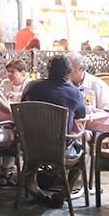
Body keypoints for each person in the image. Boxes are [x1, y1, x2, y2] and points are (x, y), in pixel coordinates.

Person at [22, 55, 87, 206]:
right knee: (85, 150)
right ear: (68, 72)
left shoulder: (32, 86)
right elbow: (81, 115)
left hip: (32, 147)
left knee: (36, 151)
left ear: (48, 69)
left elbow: (23, 106)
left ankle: (33, 188)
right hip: (60, 149)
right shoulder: (74, 93)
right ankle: (65, 193)